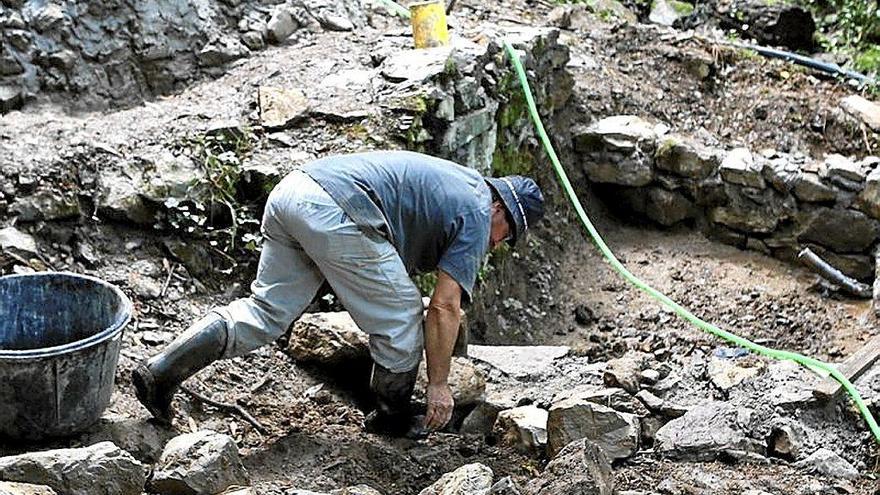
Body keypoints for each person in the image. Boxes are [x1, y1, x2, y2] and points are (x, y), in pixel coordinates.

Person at [133, 150, 544, 437]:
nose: (497, 246)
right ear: (501, 211)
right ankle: (392, 418)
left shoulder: (462, 187)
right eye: (506, 236)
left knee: (266, 313)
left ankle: (160, 372)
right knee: (403, 315)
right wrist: (438, 384)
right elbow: (443, 306)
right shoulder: (476, 214)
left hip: (294, 191)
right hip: (334, 210)